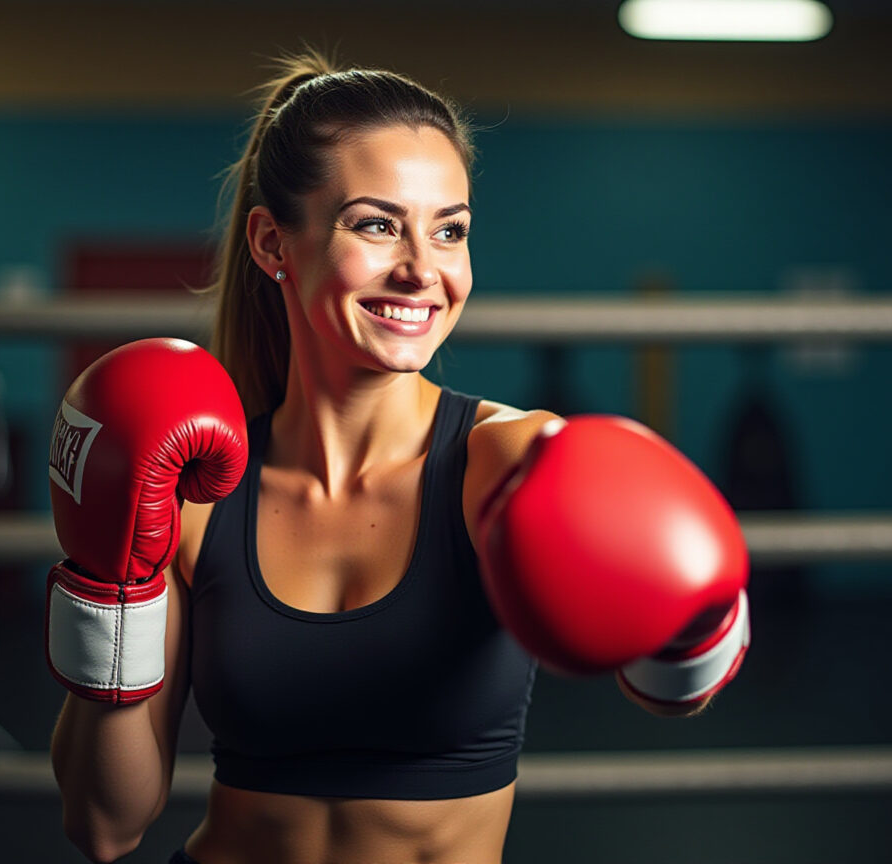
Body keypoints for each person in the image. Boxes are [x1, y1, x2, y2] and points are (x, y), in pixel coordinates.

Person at [45, 51, 751, 864]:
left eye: (449, 230)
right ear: (274, 241)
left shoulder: (507, 463)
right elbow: (104, 825)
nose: (423, 270)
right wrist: (111, 588)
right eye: (377, 224)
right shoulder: (198, 492)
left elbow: (674, 694)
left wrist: (694, 628)